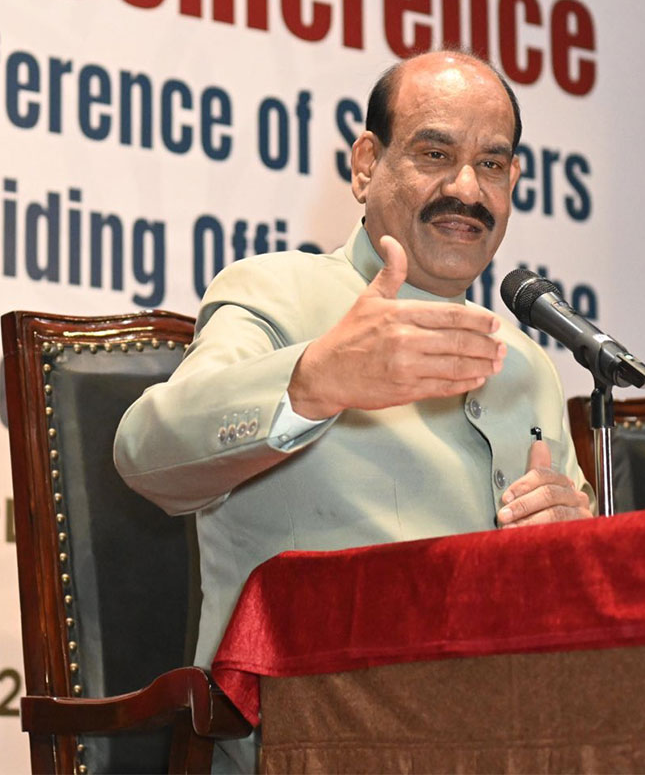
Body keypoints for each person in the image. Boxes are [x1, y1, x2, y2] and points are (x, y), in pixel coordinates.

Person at [114, 50, 592, 767]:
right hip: (319, 735)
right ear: (366, 164)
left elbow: (578, 572)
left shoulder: (527, 364)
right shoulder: (275, 292)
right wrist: (314, 380)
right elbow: (147, 455)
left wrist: (573, 535)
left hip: (504, 729)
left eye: (493, 165)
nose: (467, 189)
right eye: (435, 153)